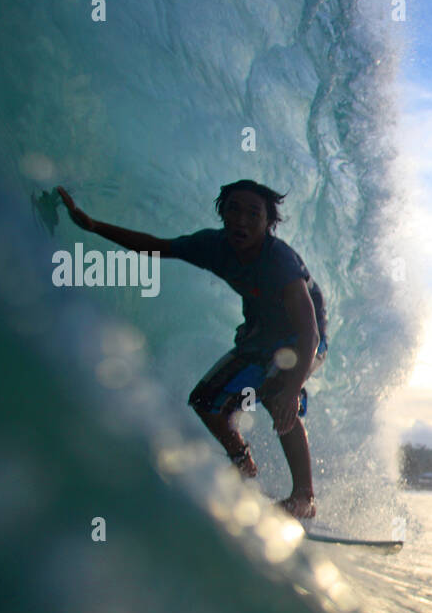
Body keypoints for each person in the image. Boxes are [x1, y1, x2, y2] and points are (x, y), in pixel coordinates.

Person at [56, 181, 329, 518]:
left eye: (253, 214)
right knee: (205, 401)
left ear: (269, 223)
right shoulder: (213, 247)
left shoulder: (280, 261)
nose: (241, 220)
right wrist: (94, 226)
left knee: (278, 393)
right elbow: (156, 247)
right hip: (261, 335)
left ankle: (305, 498)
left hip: (305, 337)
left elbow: (310, 333)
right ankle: (242, 463)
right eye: (233, 210)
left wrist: (292, 390)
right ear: (222, 214)